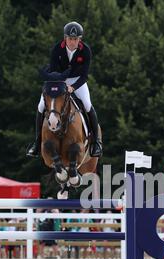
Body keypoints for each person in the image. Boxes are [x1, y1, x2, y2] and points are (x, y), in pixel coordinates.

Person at [26, 21, 102, 159]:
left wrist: (73, 87)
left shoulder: (85, 50)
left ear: (79, 39)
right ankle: (37, 143)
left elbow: (84, 76)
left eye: (75, 39)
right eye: (70, 38)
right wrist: (61, 85)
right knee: (41, 106)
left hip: (77, 81)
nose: (72, 42)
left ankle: (96, 142)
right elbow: (54, 71)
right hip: (59, 80)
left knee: (87, 104)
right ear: (65, 38)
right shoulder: (57, 49)